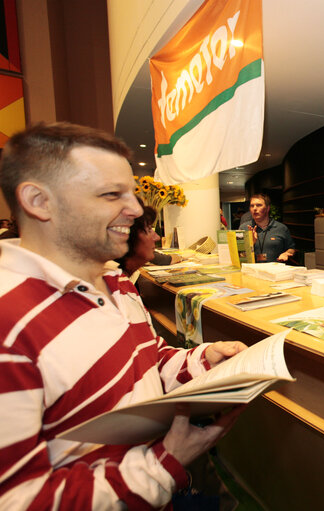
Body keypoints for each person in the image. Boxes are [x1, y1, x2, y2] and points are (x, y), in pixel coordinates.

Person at [0, 122, 248, 509]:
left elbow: (149, 361)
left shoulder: (114, 278)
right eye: (112, 194)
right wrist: (165, 464)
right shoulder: (8, 322)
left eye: (131, 193)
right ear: (38, 201)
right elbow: (19, 500)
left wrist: (201, 360)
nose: (134, 209)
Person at [239, 193, 295, 262]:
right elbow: (239, 256)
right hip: (252, 271)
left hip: (275, 270)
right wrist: (250, 244)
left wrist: (286, 253)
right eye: (252, 206)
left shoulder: (281, 228)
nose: (255, 208)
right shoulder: (244, 228)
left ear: (267, 208)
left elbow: (291, 248)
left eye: (259, 205)